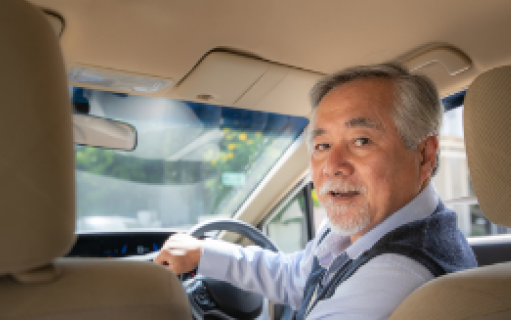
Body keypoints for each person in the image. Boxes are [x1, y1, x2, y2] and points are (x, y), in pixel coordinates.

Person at [154, 62, 477, 319]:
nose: (332, 165)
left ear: (424, 154)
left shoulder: (396, 277)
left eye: (361, 141)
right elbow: (299, 276)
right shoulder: (369, 228)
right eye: (322, 145)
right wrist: (205, 254)